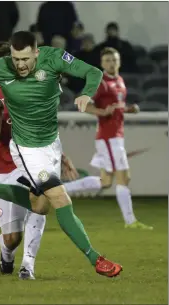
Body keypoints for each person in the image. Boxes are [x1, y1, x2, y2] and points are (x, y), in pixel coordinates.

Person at [0, 31, 123, 277]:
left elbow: (93, 72)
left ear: (36, 52)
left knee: (41, 205)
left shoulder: (53, 58)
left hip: (51, 143)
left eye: (25, 59)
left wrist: (87, 92)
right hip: (26, 149)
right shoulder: (0, 67)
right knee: (60, 198)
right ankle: (96, 259)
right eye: (16, 59)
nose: (20, 65)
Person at [63, 47, 153, 230]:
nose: (111, 63)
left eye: (114, 60)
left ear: (119, 62)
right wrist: (101, 111)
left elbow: (115, 105)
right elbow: (82, 103)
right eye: (108, 61)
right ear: (102, 63)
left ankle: (62, 190)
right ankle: (130, 222)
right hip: (108, 136)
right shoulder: (100, 82)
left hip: (115, 135)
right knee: (124, 177)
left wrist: (128, 109)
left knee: (105, 182)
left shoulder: (119, 80)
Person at [0, 42, 47, 279]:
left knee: (41, 203)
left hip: (35, 164)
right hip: (8, 168)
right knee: (11, 238)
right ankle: (6, 255)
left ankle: (28, 265)